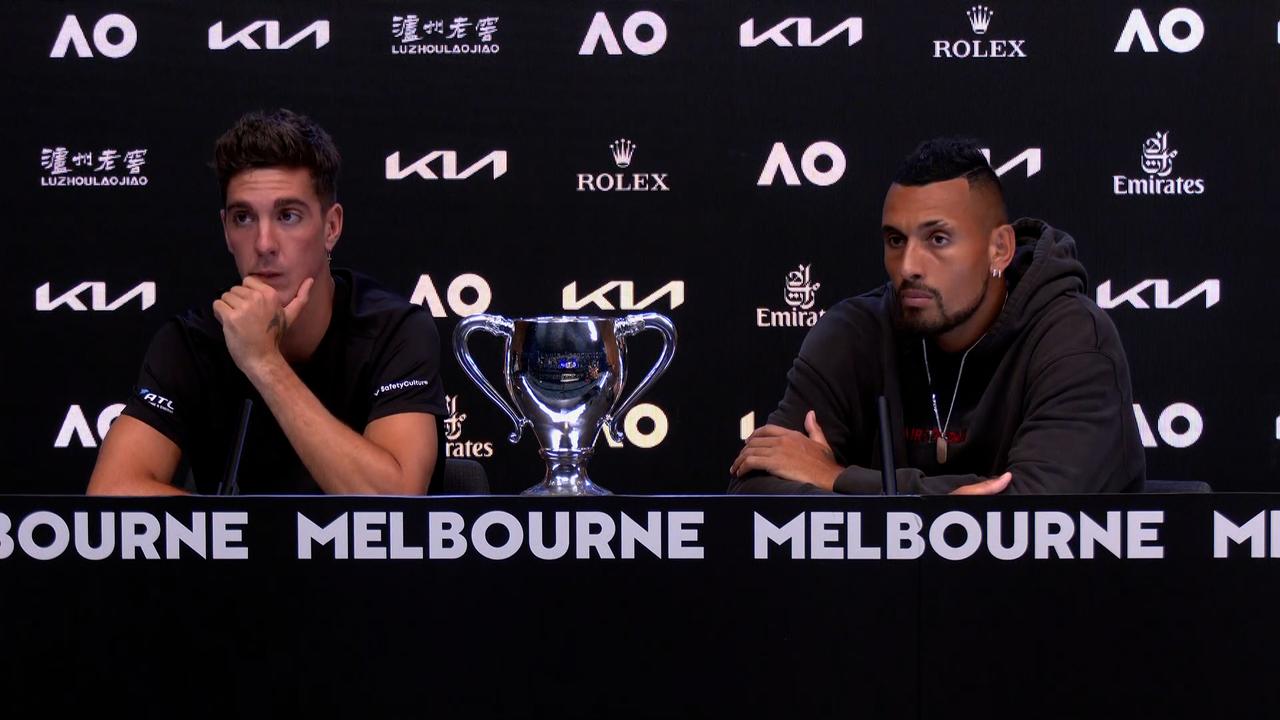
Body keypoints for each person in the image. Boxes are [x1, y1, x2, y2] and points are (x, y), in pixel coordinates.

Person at [730, 137, 1145, 495]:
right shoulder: (852, 334)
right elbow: (758, 485)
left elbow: (1038, 516)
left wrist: (836, 478)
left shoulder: (1073, 341)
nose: (908, 265)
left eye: (938, 238)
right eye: (895, 240)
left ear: (999, 248)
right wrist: (952, 506)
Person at [88, 109, 445, 495]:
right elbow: (112, 493)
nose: (264, 244)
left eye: (288, 216)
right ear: (226, 231)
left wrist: (264, 362)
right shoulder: (189, 342)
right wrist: (264, 539)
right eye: (243, 218)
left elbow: (396, 504)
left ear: (331, 227)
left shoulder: (395, 330)